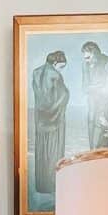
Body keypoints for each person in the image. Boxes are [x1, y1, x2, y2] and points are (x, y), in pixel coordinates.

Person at [32, 50, 69, 193]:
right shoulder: (55, 75)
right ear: (56, 62)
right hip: (54, 119)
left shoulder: (36, 72)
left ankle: (42, 185)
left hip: (40, 117)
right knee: (54, 149)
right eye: (61, 66)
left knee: (42, 150)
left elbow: (40, 96)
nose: (61, 70)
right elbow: (62, 96)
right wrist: (67, 93)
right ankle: (52, 185)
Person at [81, 41, 108, 150]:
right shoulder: (85, 64)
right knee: (91, 124)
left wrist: (93, 87)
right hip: (92, 104)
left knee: (102, 128)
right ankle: (92, 152)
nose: (86, 60)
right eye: (85, 57)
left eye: (88, 57)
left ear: (95, 53)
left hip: (106, 103)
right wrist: (99, 86)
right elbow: (84, 88)